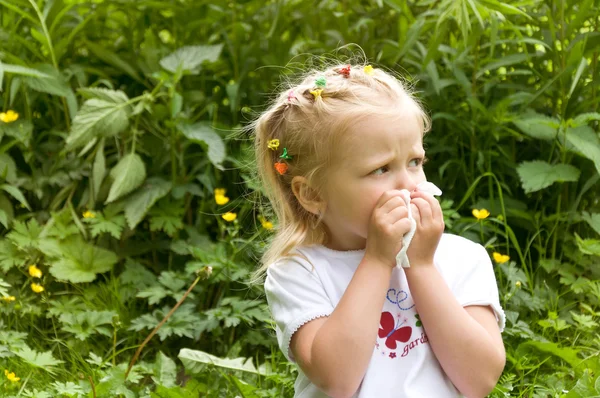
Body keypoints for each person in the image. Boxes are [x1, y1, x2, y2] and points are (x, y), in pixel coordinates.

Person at [250, 62, 506, 398]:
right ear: (312, 194)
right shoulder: (301, 271)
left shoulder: (461, 258)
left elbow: (480, 379)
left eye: (415, 162)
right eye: (381, 169)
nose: (409, 184)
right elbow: (337, 380)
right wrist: (377, 260)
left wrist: (422, 265)